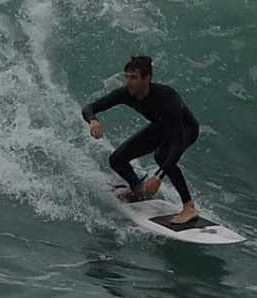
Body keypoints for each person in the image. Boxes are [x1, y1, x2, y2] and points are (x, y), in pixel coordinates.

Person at [82, 56, 200, 224]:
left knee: (162, 156)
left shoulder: (168, 98)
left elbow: (176, 144)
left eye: (134, 77)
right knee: (116, 160)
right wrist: (93, 120)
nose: (129, 82)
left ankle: (189, 207)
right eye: (127, 77)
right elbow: (89, 108)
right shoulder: (126, 94)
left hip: (185, 129)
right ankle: (139, 190)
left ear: (147, 79)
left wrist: (159, 176)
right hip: (160, 127)